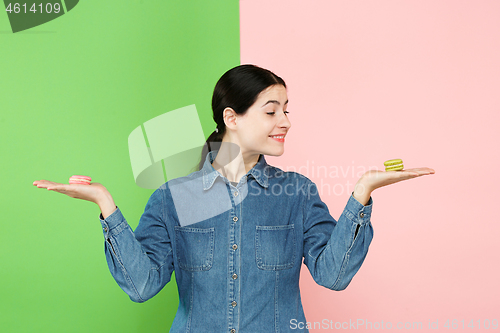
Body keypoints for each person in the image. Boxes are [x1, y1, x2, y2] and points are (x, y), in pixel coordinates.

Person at [33, 64, 435, 332]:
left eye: (287, 110)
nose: (286, 122)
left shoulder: (295, 193)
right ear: (231, 118)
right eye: (272, 111)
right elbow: (142, 285)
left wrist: (361, 194)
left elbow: (333, 276)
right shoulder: (178, 198)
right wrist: (105, 203)